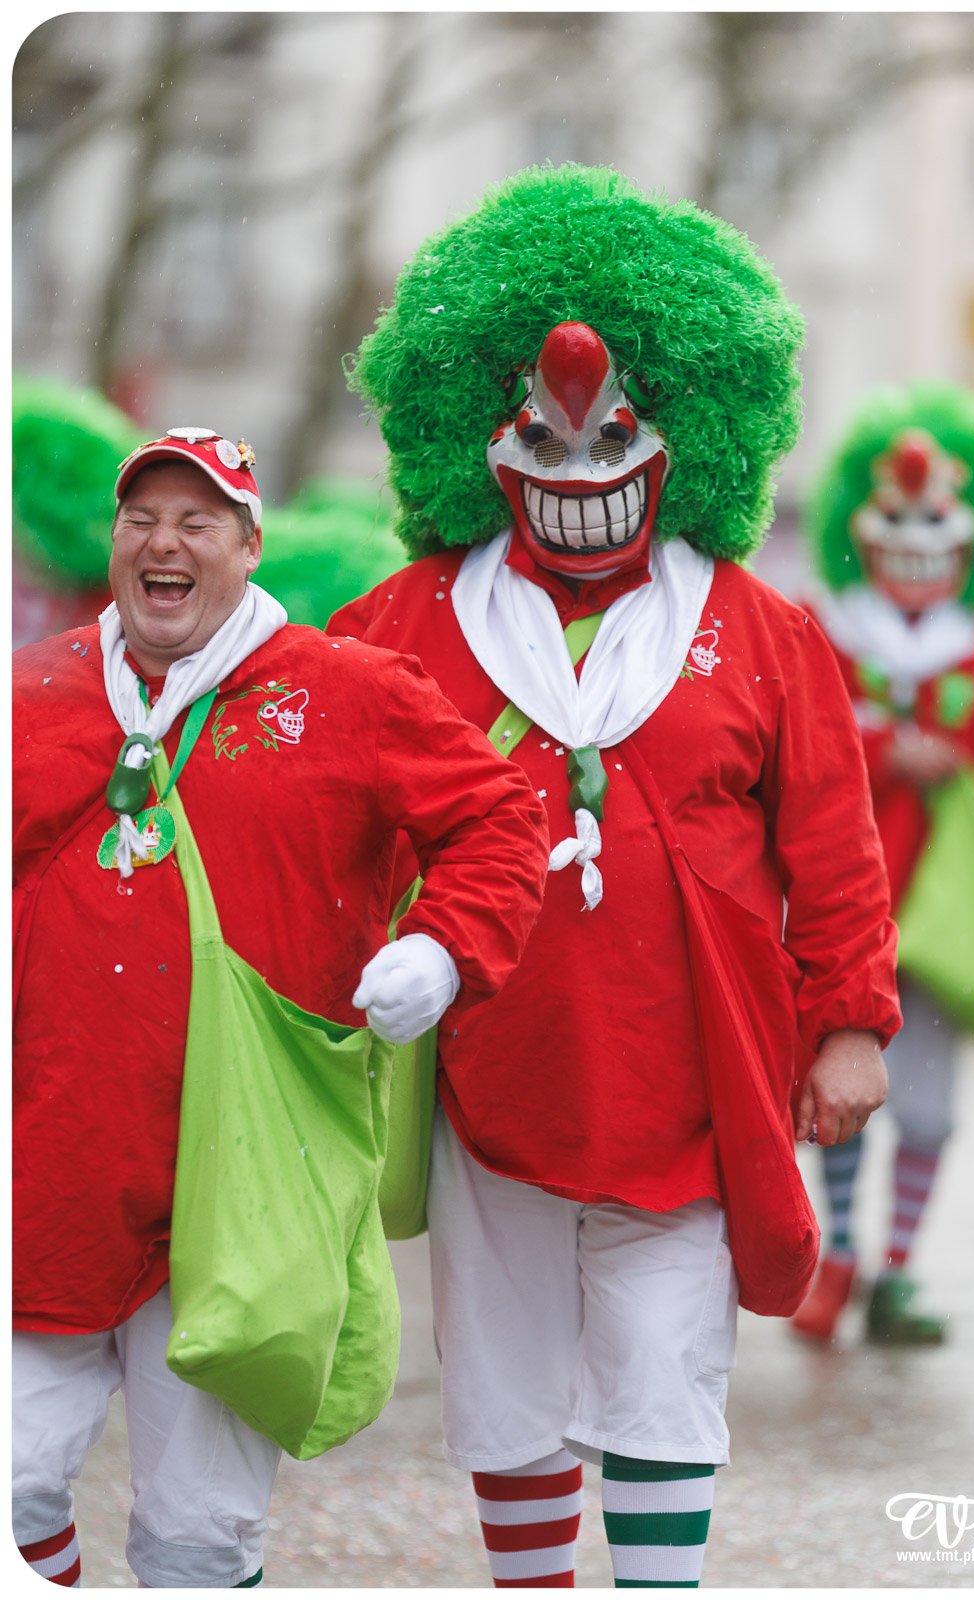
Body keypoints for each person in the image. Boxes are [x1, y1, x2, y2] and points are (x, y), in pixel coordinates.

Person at [328, 165, 901, 1589]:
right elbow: (310, 807)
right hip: (484, 1071)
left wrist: (845, 1024)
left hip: (693, 1068)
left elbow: (831, 844)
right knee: (504, 1377)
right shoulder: (402, 624)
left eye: (614, 435)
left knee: (663, 1375)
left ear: (680, 436)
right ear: (482, 436)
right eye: (541, 435)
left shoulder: (761, 631)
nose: (580, 471)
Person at [12, 427, 550, 1588]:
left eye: (198, 521)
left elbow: (499, 820)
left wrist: (445, 948)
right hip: (48, 1169)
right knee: (13, 1493)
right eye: (141, 519)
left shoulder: (348, 691)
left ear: (248, 547)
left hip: (245, 1191)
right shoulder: (35, 690)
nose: (164, 542)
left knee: (197, 1539)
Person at [792, 382, 974, 1345]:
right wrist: (875, 752)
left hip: (936, 931)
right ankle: (843, 1255)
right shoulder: (812, 629)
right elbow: (775, 755)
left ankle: (894, 1269)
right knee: (835, 1098)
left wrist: (969, 801)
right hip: (829, 917)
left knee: (932, 1112)